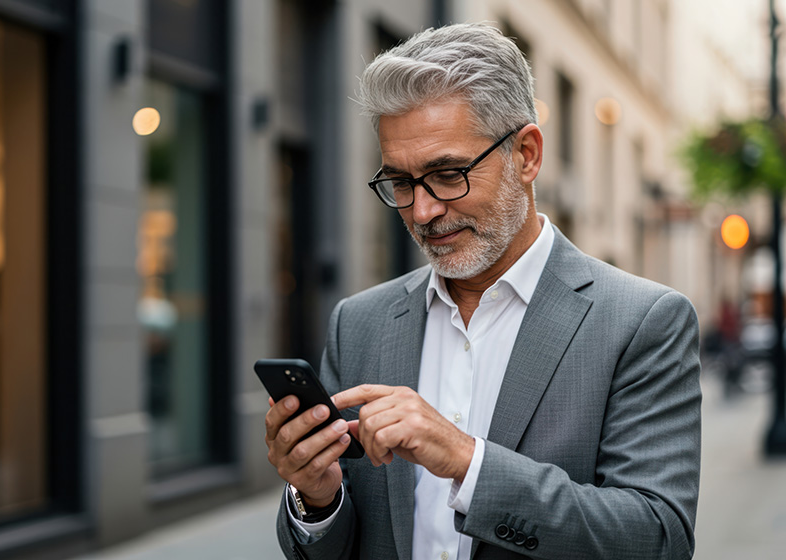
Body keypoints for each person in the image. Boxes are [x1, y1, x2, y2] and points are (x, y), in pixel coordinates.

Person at [265, 23, 701, 560]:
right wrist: (316, 497)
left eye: (448, 174)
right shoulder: (359, 323)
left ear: (526, 155)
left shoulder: (642, 321)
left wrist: (467, 461)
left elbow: (658, 539)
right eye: (400, 184)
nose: (423, 211)